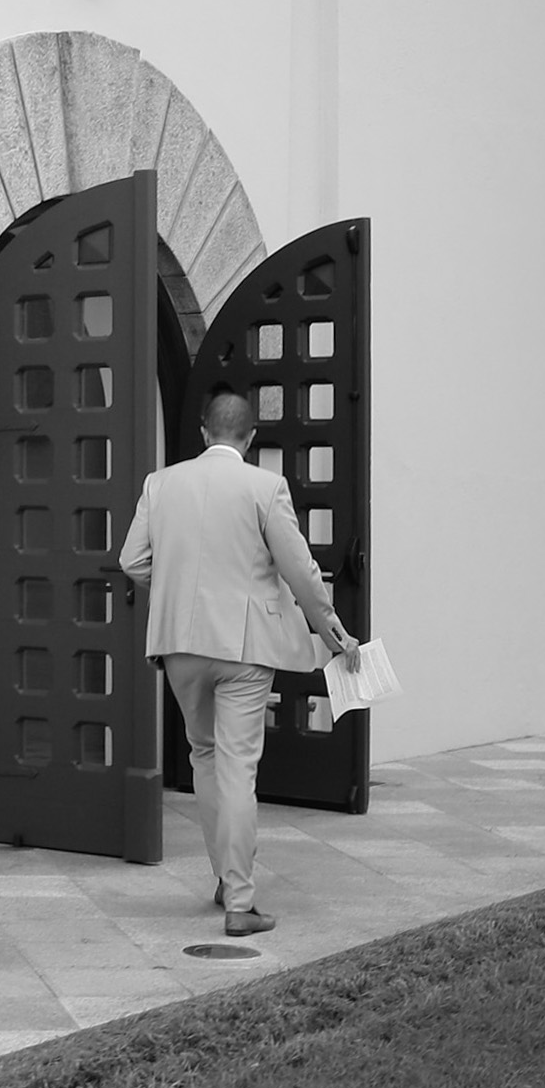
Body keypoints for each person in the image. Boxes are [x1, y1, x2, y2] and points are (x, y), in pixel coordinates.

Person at [118, 387, 354, 938]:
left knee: (204, 756)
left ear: (204, 432)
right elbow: (300, 570)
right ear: (250, 438)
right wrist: (332, 629)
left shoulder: (161, 483)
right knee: (238, 767)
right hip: (244, 646)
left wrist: (176, 592)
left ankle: (225, 879)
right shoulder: (264, 486)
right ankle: (240, 903)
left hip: (179, 640)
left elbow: (132, 561)